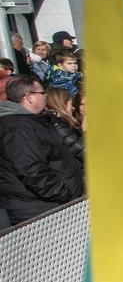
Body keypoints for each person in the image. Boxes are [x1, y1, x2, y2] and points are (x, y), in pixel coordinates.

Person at [0, 74, 84, 224]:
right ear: (29, 97)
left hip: (50, 207)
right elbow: (32, 170)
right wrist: (65, 195)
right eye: (42, 93)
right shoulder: (17, 127)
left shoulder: (28, 122)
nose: (46, 96)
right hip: (43, 211)